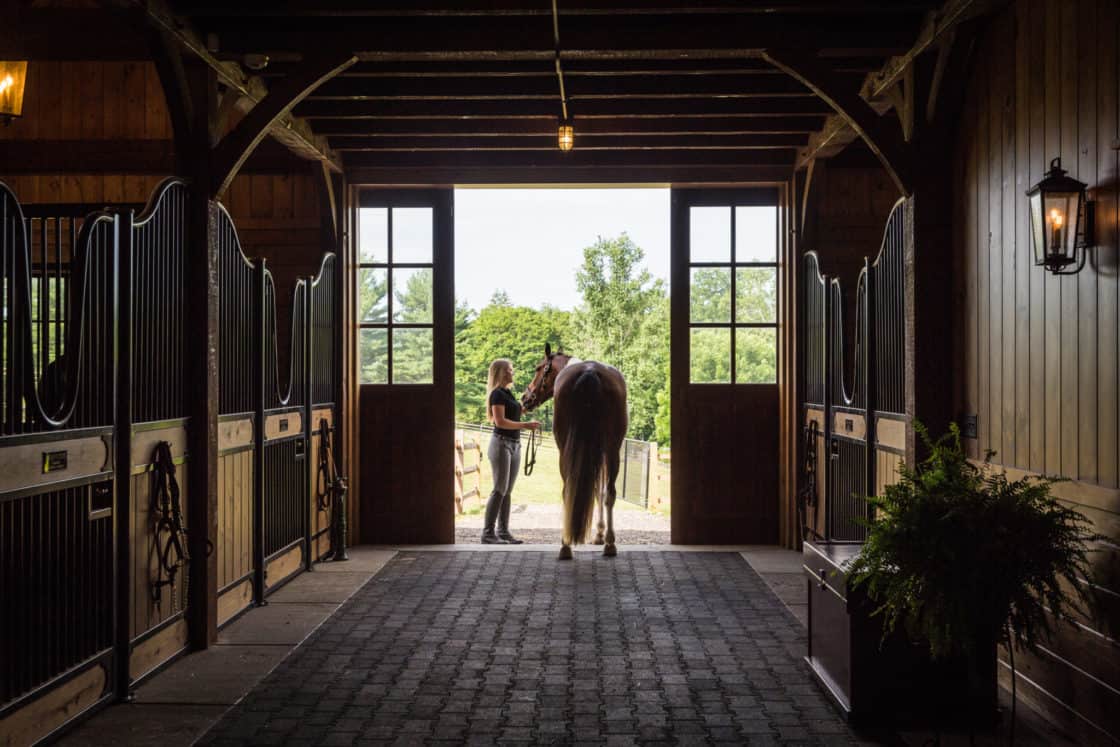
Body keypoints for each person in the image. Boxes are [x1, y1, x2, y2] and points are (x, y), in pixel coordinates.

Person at [482, 358, 540, 544]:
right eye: (509, 369)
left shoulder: (507, 393)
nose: (512, 372)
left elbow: (513, 412)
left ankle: (503, 532)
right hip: (501, 443)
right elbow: (500, 422)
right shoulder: (497, 394)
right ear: (500, 372)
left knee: (507, 491)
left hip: (514, 444)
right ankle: (488, 533)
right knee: (499, 489)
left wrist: (525, 409)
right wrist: (526, 425)